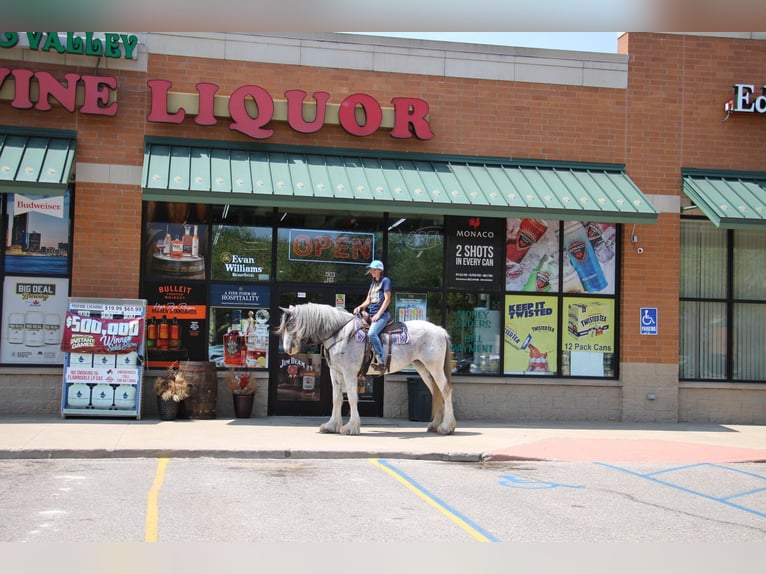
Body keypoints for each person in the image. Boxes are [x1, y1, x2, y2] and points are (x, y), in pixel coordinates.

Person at [353, 260, 392, 373]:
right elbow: (368, 300)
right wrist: (360, 307)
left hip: (383, 315)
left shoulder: (385, 281)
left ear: (380, 270)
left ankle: (381, 361)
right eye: (370, 269)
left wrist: (379, 314)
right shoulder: (373, 284)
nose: (371, 271)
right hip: (372, 314)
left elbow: (387, 299)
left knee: (372, 333)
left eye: (373, 269)